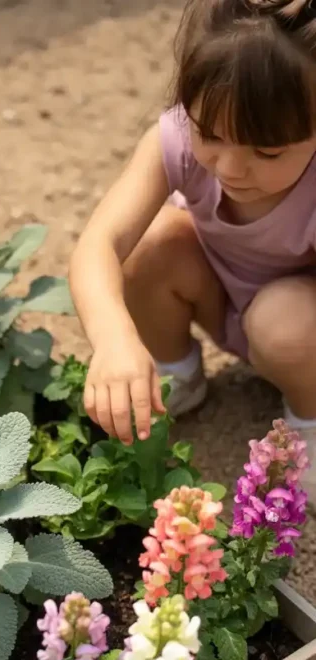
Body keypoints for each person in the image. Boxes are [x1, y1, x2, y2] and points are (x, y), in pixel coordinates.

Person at [70, 0, 316, 499]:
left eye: (266, 152)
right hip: (219, 298)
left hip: (297, 327)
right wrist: (116, 340)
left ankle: (308, 419)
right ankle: (173, 370)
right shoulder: (176, 141)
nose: (229, 167)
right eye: (209, 133)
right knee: (152, 242)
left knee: (282, 321)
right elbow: (98, 245)